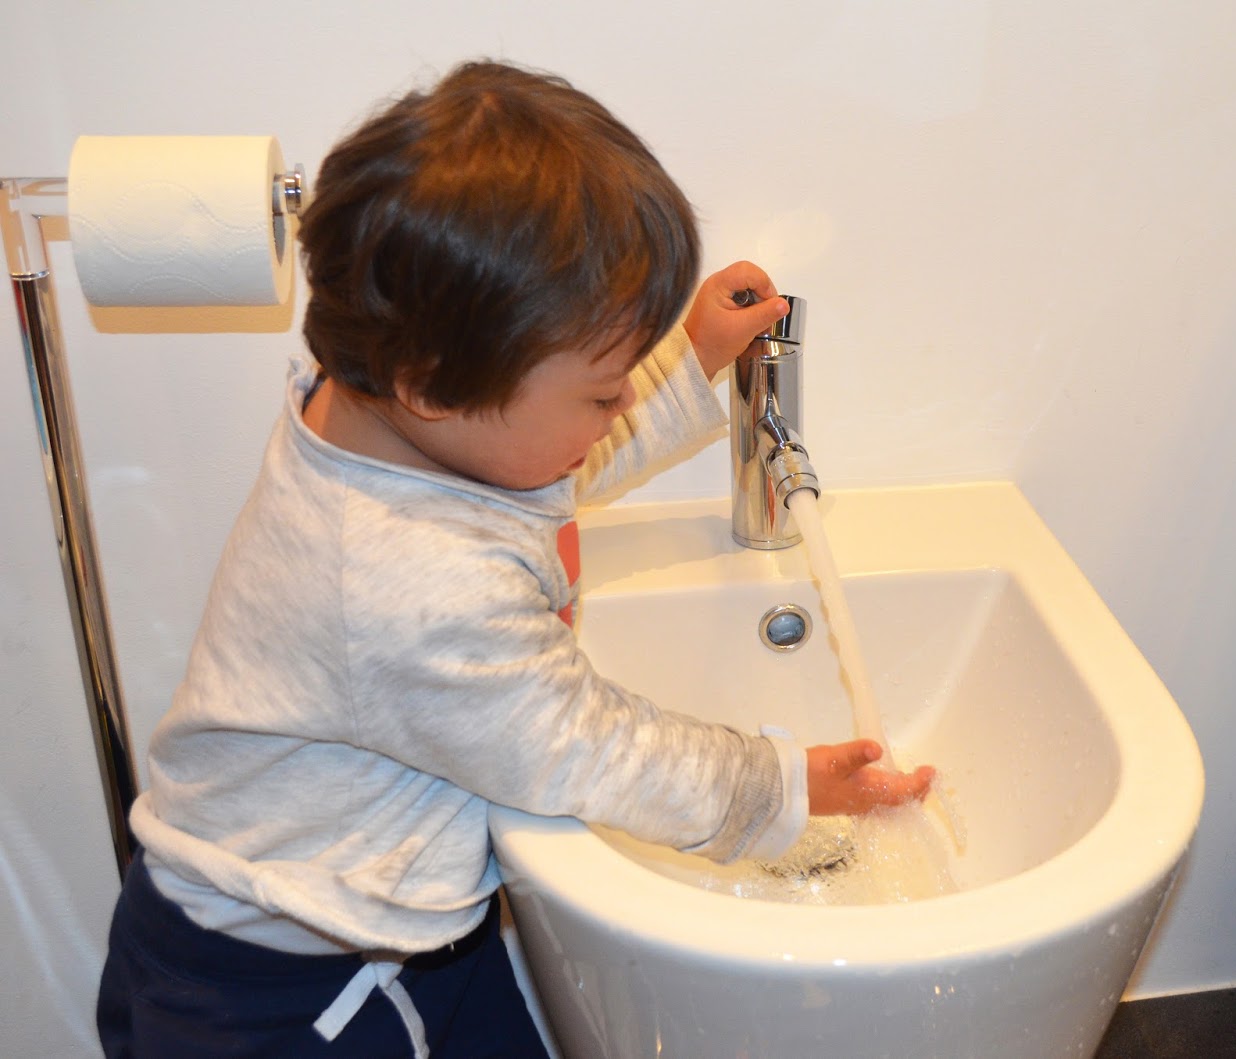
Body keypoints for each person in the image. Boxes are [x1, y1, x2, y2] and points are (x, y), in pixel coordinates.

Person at [96, 60, 934, 1058]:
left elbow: (540, 458)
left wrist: (692, 357)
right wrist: (782, 786)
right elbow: (595, 750)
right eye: (603, 393)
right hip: (298, 993)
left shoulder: (383, 411)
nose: (620, 407)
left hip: (376, 930)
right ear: (432, 385)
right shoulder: (411, 584)